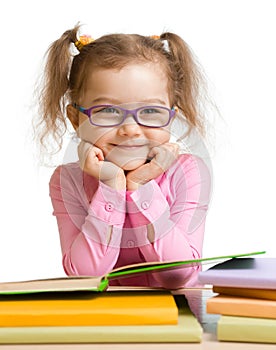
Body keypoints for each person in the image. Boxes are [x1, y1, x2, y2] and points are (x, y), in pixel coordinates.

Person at [35, 24, 212, 289]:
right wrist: (111, 185)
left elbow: (177, 274)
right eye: (107, 111)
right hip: (104, 322)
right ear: (76, 119)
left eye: (151, 112)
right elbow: (85, 276)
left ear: (171, 117)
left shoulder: (187, 173)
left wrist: (140, 185)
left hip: (176, 321)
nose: (130, 129)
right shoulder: (68, 180)